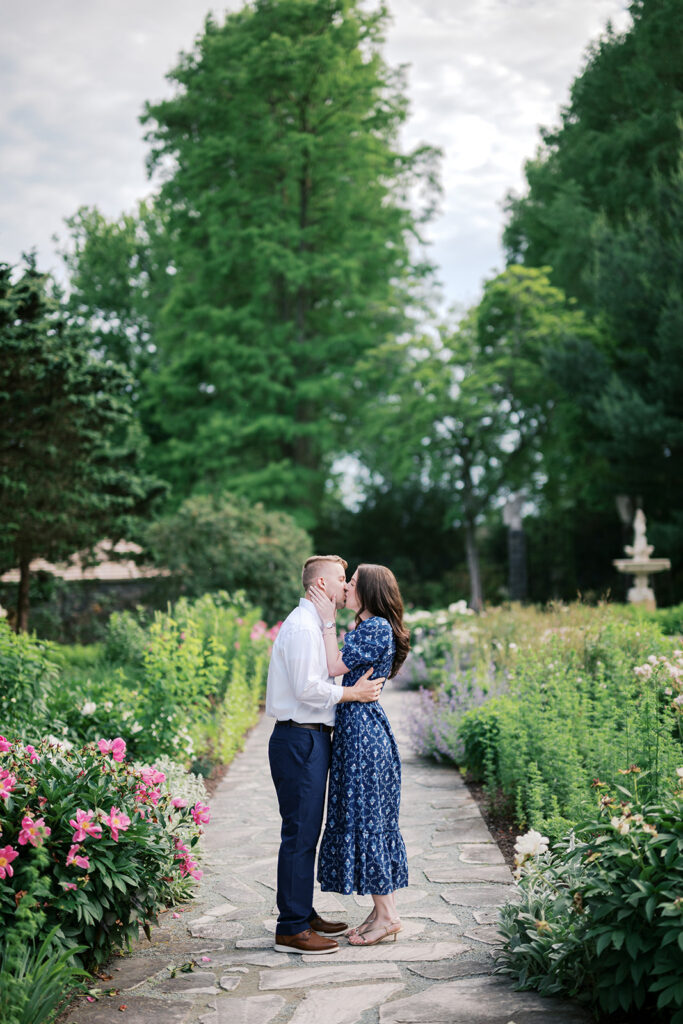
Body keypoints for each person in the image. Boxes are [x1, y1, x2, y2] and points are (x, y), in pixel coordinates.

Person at [266, 554, 385, 955]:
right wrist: (352, 693)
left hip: (312, 739)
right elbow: (307, 688)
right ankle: (292, 928)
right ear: (320, 585)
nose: (346, 585)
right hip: (299, 739)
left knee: (306, 833)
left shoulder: (315, 625)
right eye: (340, 579)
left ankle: (301, 911)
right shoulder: (301, 627)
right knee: (299, 834)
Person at [310, 563, 410, 947]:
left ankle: (388, 915)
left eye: (352, 584)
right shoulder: (368, 628)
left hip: (365, 737)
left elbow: (334, 667)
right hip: (358, 730)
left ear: (369, 592)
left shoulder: (376, 627)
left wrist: (326, 621)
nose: (347, 588)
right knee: (368, 817)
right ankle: (379, 911)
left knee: (367, 817)